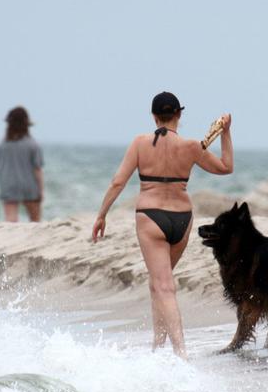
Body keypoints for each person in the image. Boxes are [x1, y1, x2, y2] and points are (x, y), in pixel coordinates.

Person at [91, 91, 234, 358]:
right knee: (160, 282)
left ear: (154, 116)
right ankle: (158, 347)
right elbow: (226, 167)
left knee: (163, 285)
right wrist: (226, 132)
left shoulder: (139, 143)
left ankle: (181, 354)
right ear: (179, 114)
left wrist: (102, 214)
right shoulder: (192, 146)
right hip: (182, 219)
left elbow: (117, 182)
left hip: (151, 217)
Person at [0, 106, 44, 222]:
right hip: (29, 185)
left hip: (8, 185)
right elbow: (37, 169)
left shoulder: (2, 145)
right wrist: (41, 190)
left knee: (10, 219)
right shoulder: (32, 144)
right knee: (35, 219)